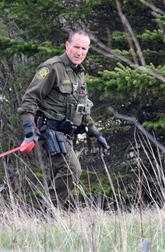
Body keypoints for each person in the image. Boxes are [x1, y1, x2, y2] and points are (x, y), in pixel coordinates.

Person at [18, 29, 109, 211]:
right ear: (67, 45)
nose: (79, 52)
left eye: (84, 48)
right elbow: (29, 99)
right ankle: (47, 213)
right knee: (72, 169)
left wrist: (94, 131)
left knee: (55, 177)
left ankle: (40, 221)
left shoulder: (79, 73)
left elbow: (82, 107)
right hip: (50, 132)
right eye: (76, 47)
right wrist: (29, 130)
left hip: (67, 135)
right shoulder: (52, 68)